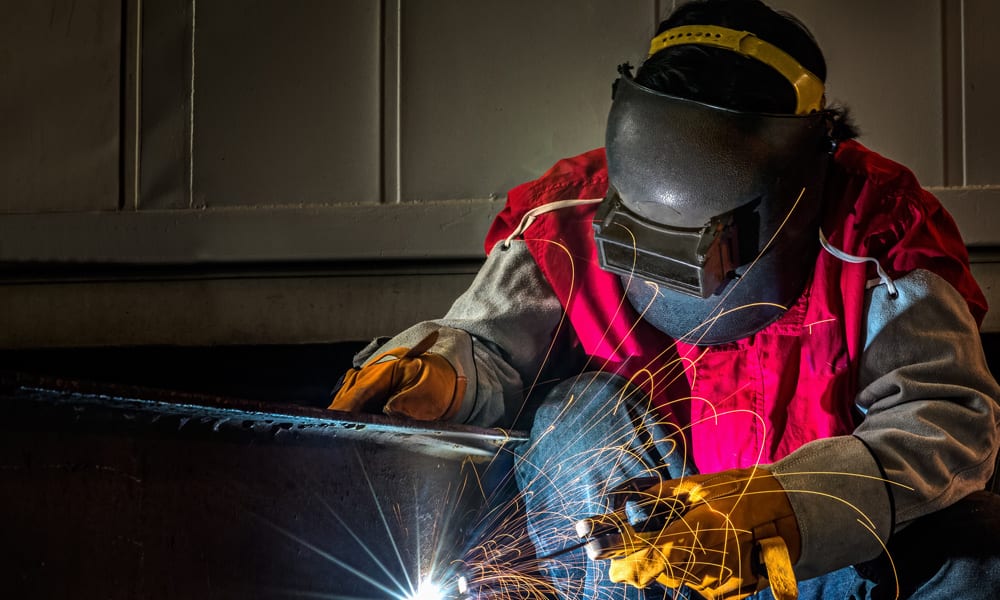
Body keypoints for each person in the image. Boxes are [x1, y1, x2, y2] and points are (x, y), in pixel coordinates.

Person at [329, 1, 1000, 598]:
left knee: (973, 553)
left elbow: (947, 419)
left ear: (806, 168)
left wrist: (786, 508)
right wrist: (438, 370)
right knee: (572, 414)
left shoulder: (880, 231)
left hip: (815, 557)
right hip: (633, 555)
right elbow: (485, 343)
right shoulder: (569, 214)